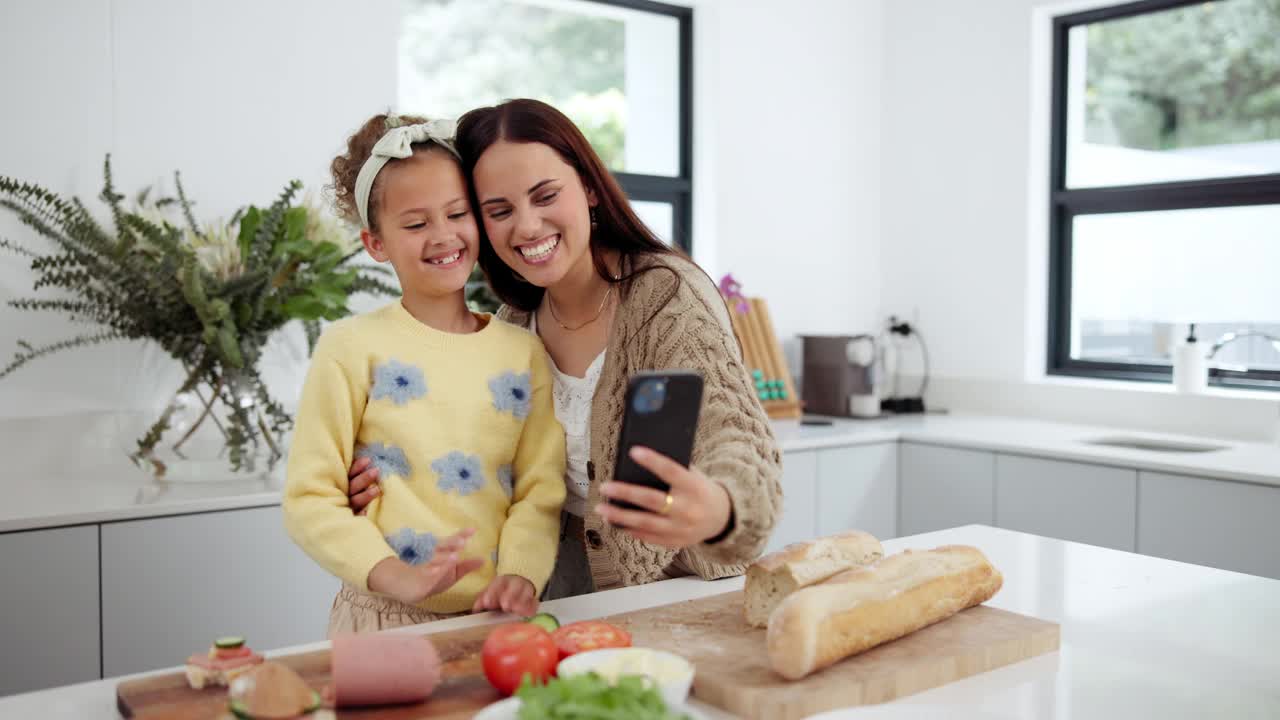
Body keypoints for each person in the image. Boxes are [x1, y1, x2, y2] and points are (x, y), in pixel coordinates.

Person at [347, 99, 782, 598]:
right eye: (500, 210)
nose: (527, 227)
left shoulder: (666, 297)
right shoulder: (514, 325)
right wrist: (384, 485)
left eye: (545, 196)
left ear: (591, 188)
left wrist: (720, 508)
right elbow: (488, 473)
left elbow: (737, 437)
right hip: (560, 596)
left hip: (677, 594)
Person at [283, 113, 566, 635]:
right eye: (415, 224)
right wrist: (396, 577)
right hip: (382, 617)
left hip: (499, 617)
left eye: (457, 213)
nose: (442, 236)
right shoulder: (350, 348)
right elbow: (309, 498)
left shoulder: (523, 353)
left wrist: (521, 576)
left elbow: (540, 491)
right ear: (376, 244)